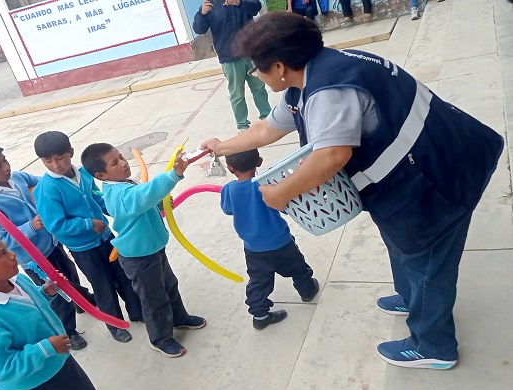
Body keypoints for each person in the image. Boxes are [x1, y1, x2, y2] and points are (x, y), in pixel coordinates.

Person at [201, 13, 503, 370]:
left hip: (438, 172)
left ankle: (434, 345)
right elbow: (267, 129)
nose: (257, 75)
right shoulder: (310, 74)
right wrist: (222, 147)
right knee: (403, 243)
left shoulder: (330, 91)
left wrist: (280, 193)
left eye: (257, 69)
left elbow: (331, 156)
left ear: (279, 66)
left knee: (428, 259)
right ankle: (410, 296)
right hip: (413, 170)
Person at [0, 141, 96, 350]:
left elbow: (45, 183)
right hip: (32, 257)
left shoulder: (17, 177)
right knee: (57, 292)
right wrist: (31, 226)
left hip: (52, 242)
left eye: (4, 160)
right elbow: (3, 240)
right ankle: (68, 330)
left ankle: (80, 299)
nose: (6, 167)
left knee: (68, 275)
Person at [81, 143, 207, 358]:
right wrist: (174, 175)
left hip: (153, 247)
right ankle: (160, 339)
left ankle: (179, 318)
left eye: (121, 157)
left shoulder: (126, 183)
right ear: (102, 175)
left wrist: (160, 205)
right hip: (139, 256)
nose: (123, 163)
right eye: (115, 162)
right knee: (154, 299)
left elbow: (145, 202)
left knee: (169, 285)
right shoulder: (118, 193)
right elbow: (142, 196)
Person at [0, 232, 99, 390]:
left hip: (58, 362)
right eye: (2, 254)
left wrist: (45, 292)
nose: (13, 255)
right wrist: (45, 348)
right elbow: (3, 369)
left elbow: (28, 306)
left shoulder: (17, 280)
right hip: (34, 386)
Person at [33, 131, 142, 343]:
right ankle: (115, 324)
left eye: (61, 157)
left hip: (106, 237)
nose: (56, 165)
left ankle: (137, 311)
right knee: (103, 285)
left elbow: (98, 200)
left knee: (123, 275)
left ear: (71, 153)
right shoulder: (46, 189)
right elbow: (55, 224)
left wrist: (118, 211)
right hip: (83, 248)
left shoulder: (84, 174)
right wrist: (88, 224)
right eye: (48, 161)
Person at [221, 149, 320, 329]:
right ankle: (307, 291)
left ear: (230, 168)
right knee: (298, 268)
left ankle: (259, 316)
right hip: (281, 242)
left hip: (254, 248)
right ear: (259, 161)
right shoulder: (267, 184)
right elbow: (282, 206)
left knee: (258, 281)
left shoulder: (228, 189)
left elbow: (227, 210)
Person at [193, 0, 272, 131]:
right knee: (237, 94)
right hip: (229, 57)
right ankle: (242, 126)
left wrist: (239, 3)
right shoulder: (210, 5)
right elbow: (199, 29)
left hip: (250, 52)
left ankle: (267, 117)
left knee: (259, 88)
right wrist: (202, 14)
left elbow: (256, 7)